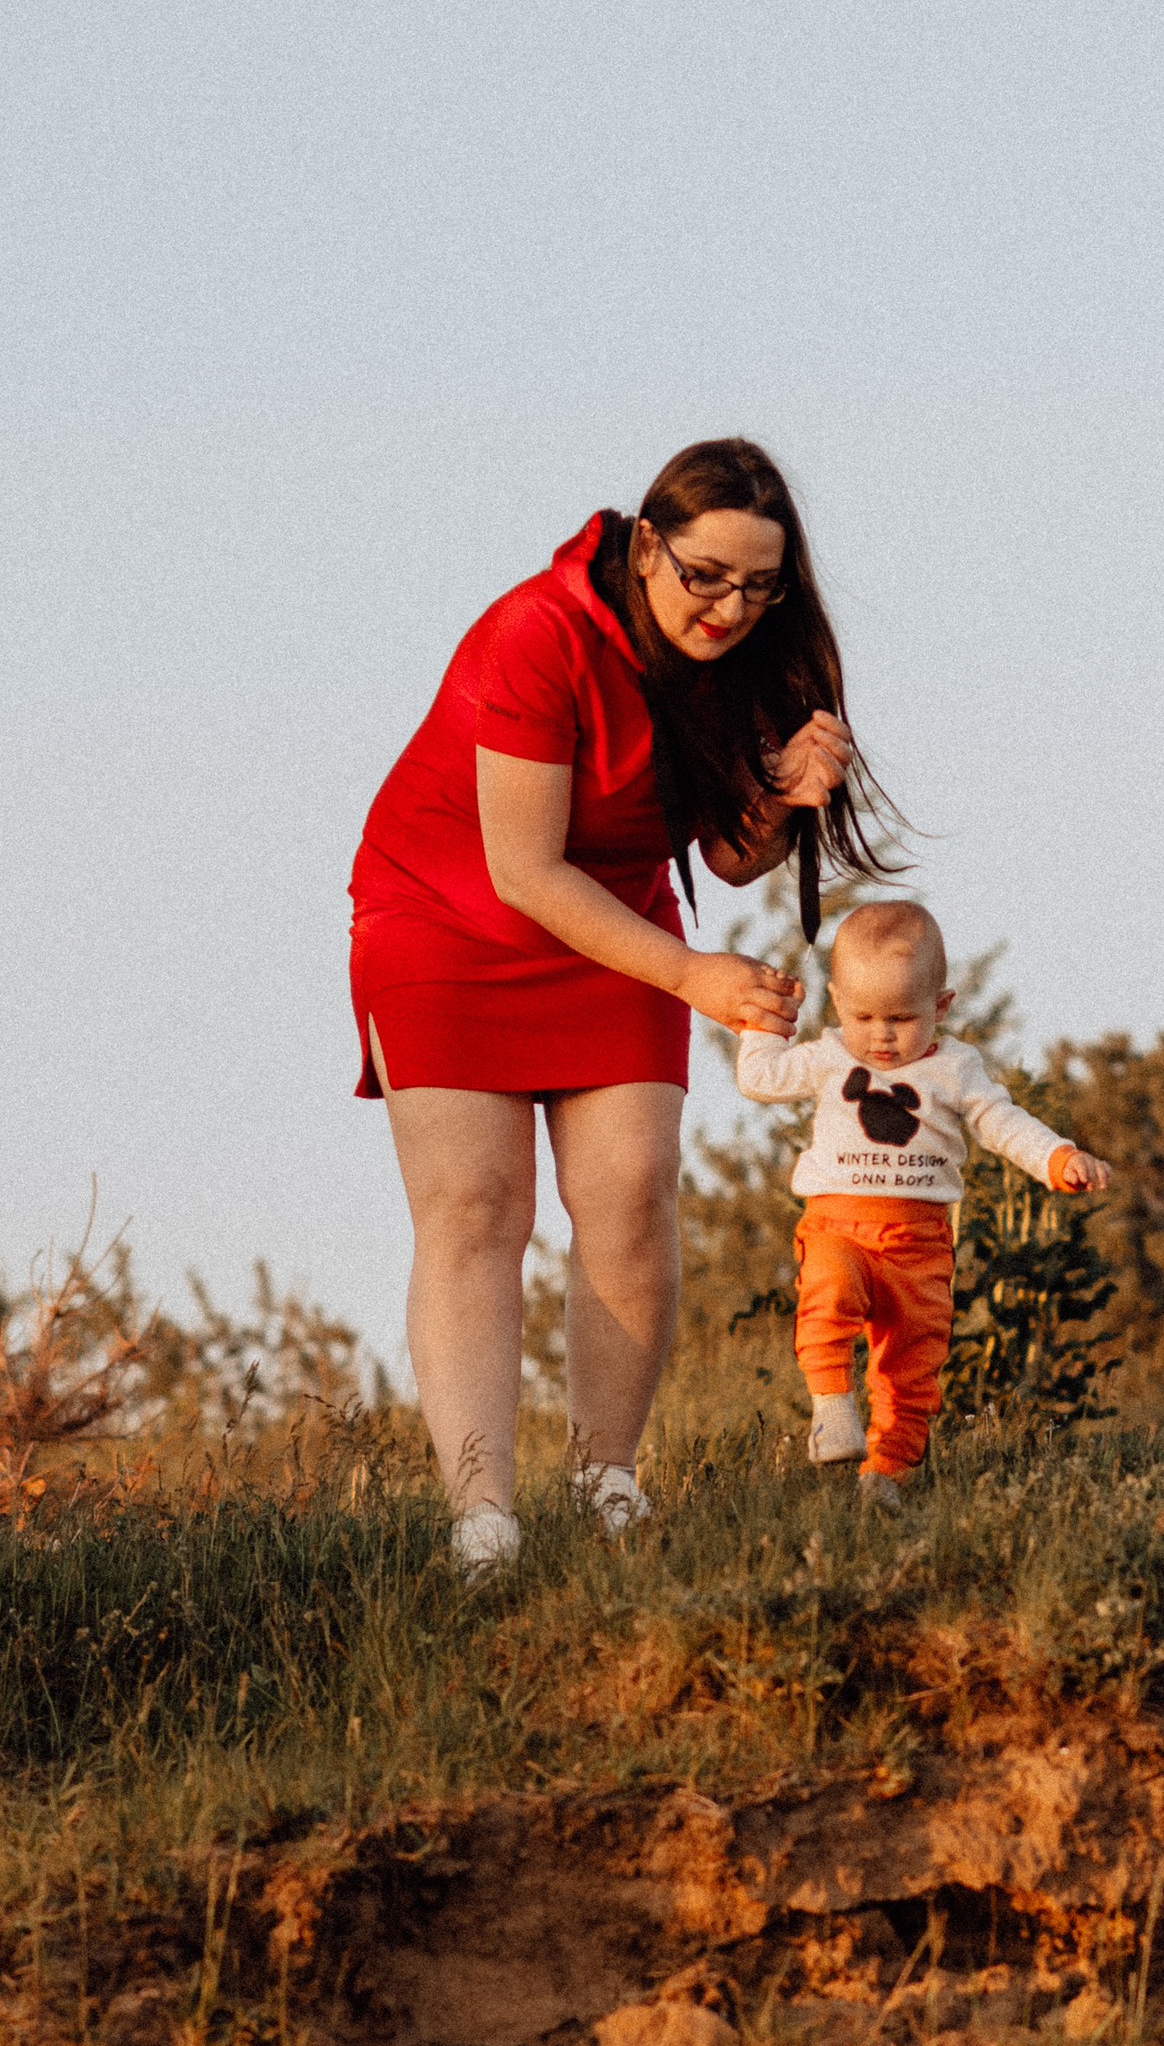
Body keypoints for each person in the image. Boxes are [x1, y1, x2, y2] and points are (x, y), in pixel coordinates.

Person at [350, 442, 894, 1573]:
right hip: (447, 922)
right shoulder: (534, 635)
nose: (730, 607)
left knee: (633, 1194)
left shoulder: (743, 661)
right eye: (706, 575)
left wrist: (789, 795)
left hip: (614, 921)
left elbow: (729, 859)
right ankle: (482, 1518)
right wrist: (694, 975)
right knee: (475, 1208)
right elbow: (524, 870)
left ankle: (607, 1483)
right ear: (646, 545)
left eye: (759, 586)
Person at [733, 898, 1112, 1501]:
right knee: (827, 1292)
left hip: (920, 1246)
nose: (881, 1035)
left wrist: (1057, 1157)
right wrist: (763, 1022)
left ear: (941, 1007)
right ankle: (832, 1408)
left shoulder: (956, 1068)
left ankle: (887, 1476)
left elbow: (1002, 1122)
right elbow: (762, 1078)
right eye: (864, 1016)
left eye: (902, 1019)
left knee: (912, 1368)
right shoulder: (832, 1056)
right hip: (839, 1226)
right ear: (836, 1002)